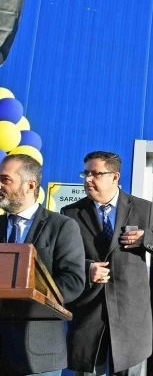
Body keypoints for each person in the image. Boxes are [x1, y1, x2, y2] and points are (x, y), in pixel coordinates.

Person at [62, 151, 153, 376]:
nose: (88, 179)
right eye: (85, 173)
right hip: (89, 315)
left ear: (115, 177)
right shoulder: (71, 213)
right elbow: (63, 260)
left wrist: (146, 238)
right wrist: (87, 268)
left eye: (95, 174)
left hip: (130, 316)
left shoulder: (143, 209)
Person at [0, 154, 86, 376]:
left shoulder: (62, 226)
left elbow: (73, 280)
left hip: (38, 353)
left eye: (5, 179)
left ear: (30, 185)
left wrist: (29, 297)